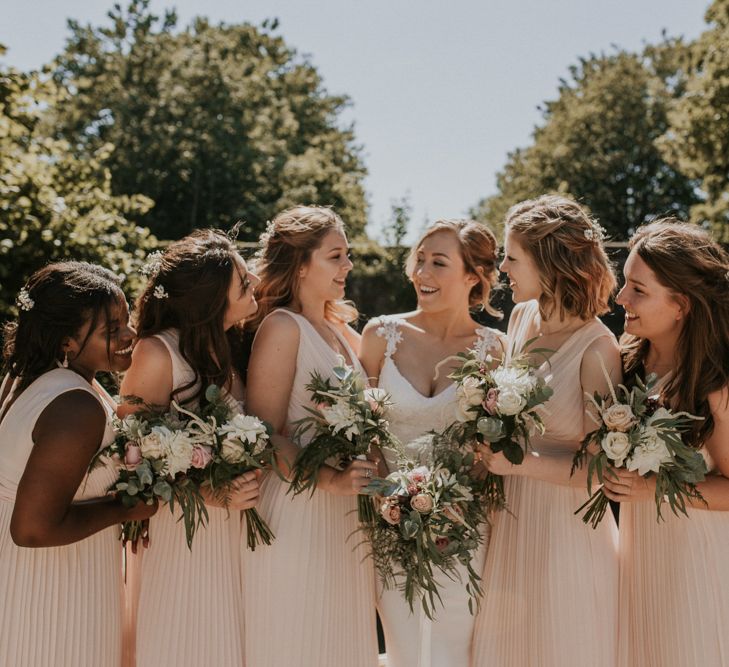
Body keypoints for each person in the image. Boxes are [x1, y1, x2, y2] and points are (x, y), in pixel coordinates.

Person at [472, 194, 621, 666]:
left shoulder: (598, 348)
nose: (502, 269)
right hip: (508, 519)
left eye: (512, 258)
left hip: (565, 529)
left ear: (549, 263)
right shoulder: (521, 318)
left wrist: (522, 463)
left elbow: (603, 468)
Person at [359, 218, 505, 667]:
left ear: (473, 277)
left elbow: (493, 441)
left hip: (465, 527)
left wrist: (451, 502)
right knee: (404, 642)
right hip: (386, 525)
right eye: (419, 259)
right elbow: (365, 432)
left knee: (458, 645)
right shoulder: (380, 335)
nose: (421, 272)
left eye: (438, 262)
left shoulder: (494, 348)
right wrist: (392, 497)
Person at [0, 261, 157, 667]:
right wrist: (127, 508)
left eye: (127, 321)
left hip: (46, 573)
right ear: (68, 341)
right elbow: (32, 529)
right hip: (50, 589)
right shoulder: (75, 406)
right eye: (112, 330)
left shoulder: (44, 381)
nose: (130, 335)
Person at [242, 205, 379, 667]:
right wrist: (328, 478)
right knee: (298, 640)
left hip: (347, 516)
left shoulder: (341, 327)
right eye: (336, 256)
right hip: (299, 509)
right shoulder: (283, 327)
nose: (348, 266)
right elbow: (262, 433)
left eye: (347, 255)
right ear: (301, 265)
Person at [119, 229, 260, 667]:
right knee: (183, 640)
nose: (253, 280)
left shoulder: (223, 347)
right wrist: (207, 493)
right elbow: (131, 455)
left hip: (229, 531)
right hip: (181, 530)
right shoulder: (158, 353)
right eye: (243, 280)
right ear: (213, 299)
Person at [601, 220, 729, 666]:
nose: (621, 299)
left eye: (638, 289)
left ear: (681, 305)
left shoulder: (715, 381)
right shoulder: (625, 361)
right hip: (637, 560)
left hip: (697, 561)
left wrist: (652, 489)